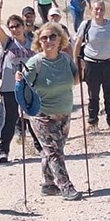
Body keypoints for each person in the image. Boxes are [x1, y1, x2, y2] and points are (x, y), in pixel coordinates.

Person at [18, 23, 83, 200]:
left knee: (54, 150)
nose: (49, 41)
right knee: (54, 152)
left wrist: (82, 69)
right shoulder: (35, 63)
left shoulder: (66, 59)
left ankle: (48, 184)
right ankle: (66, 187)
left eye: (53, 37)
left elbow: (75, 81)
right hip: (42, 115)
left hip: (64, 112)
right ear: (39, 42)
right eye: (44, 38)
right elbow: (22, 87)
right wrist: (19, 80)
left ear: (60, 39)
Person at [0, 0, 43, 163]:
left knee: (33, 116)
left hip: (29, 86)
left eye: (17, 26)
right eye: (11, 27)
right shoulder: (8, 42)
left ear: (23, 26)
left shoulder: (32, 42)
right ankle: (3, 151)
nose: (14, 29)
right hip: (9, 87)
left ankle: (40, 147)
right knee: (10, 118)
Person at [73, 0, 110, 130]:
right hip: (91, 64)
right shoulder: (86, 25)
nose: (99, 12)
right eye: (96, 9)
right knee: (93, 95)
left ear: (105, 10)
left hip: (109, 63)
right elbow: (77, 44)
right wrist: (75, 63)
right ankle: (92, 122)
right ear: (92, 11)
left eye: (101, 9)